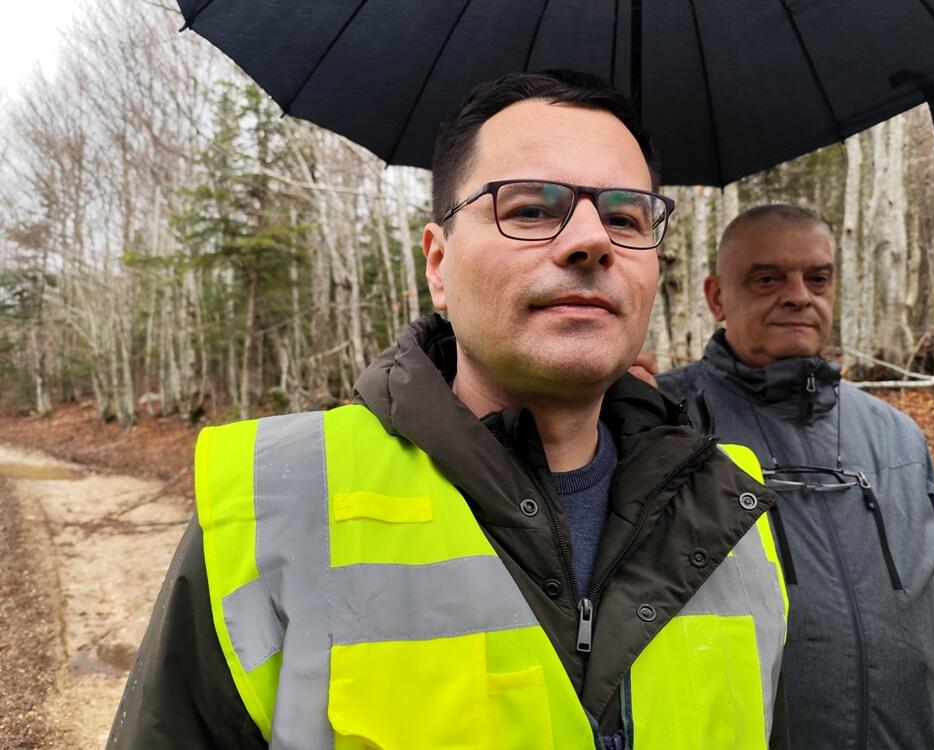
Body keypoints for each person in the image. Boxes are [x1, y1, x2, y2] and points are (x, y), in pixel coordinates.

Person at [107, 70, 788, 750]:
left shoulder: (732, 508)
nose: (593, 240)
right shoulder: (279, 502)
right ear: (438, 265)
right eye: (531, 209)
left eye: (625, 217)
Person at [657, 204, 934, 750]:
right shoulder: (664, 424)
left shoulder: (897, 437)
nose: (798, 296)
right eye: (767, 279)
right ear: (717, 297)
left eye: (818, 278)